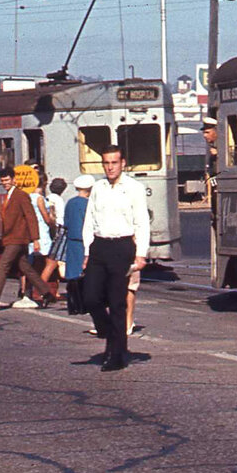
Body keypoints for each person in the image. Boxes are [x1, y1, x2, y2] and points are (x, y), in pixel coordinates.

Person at [81, 144, 150, 372]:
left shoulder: (134, 188)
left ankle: (117, 355)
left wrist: (141, 254)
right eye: (106, 163)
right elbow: (89, 220)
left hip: (122, 247)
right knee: (90, 297)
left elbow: (141, 222)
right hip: (99, 246)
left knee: (118, 302)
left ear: (123, 164)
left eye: (114, 163)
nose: (110, 167)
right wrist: (87, 251)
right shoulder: (98, 188)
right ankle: (106, 330)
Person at [0, 169, 55, 310]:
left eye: (7, 180)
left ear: (14, 180)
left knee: (3, 266)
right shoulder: (9, 195)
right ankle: (46, 293)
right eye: (3, 181)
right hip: (12, 238)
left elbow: (30, 217)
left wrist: (35, 239)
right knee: (25, 267)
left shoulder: (21, 195)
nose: (5, 183)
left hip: (18, 238)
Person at [63, 175, 92, 313]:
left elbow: (66, 222)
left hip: (71, 240)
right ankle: (84, 305)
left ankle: (72, 305)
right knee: (85, 273)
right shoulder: (88, 204)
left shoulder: (70, 203)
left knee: (72, 274)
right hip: (84, 241)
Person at [36, 177, 67, 290]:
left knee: (51, 260)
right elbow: (60, 217)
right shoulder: (59, 200)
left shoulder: (48, 198)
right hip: (58, 230)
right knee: (53, 260)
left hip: (51, 230)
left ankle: (50, 288)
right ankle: (42, 288)